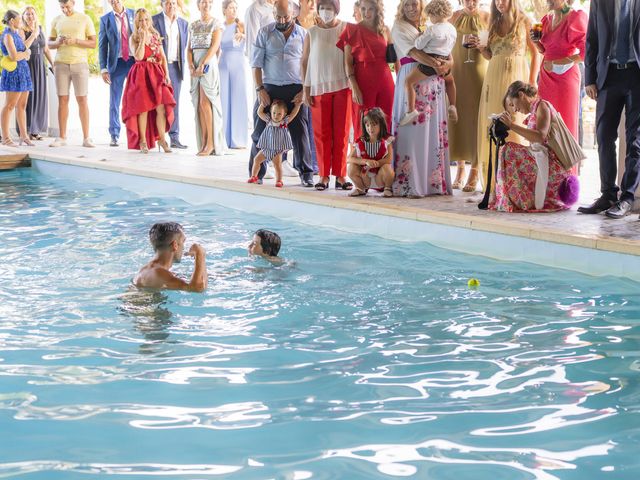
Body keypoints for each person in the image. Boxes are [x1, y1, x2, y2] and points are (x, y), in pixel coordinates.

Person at [579, 0, 640, 219]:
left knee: (635, 140)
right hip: (608, 76)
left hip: (636, 75)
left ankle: (627, 198)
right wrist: (590, 78)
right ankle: (608, 194)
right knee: (604, 137)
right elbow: (591, 39)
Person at [472, 0, 540, 190]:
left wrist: (533, 81)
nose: (499, 3)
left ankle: (518, 181)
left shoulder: (526, 21)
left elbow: (536, 53)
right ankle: (494, 182)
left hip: (516, 78)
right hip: (493, 79)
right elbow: (489, 55)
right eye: (496, 0)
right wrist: (482, 49)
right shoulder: (492, 23)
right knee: (493, 125)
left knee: (515, 125)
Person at [391, 0, 452, 197]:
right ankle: (410, 183)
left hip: (433, 82)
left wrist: (448, 65)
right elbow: (415, 53)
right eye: (406, 4)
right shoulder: (399, 27)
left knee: (431, 131)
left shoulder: (432, 26)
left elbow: (450, 54)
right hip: (413, 74)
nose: (411, 8)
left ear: (421, 4)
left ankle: (432, 183)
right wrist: (439, 66)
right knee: (412, 130)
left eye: (414, 3)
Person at [250, 0, 315, 187]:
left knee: (300, 131)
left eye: (285, 16)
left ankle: (306, 173)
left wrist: (304, 90)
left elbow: (309, 66)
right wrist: (259, 89)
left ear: (293, 13)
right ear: (273, 13)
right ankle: (256, 173)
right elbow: (256, 64)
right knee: (259, 130)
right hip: (269, 87)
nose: (281, 19)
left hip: (295, 87)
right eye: (278, 16)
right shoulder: (264, 32)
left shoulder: (304, 34)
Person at [490, 81, 579, 212]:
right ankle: (509, 197)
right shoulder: (534, 110)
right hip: (544, 160)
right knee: (507, 149)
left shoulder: (542, 106)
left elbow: (541, 137)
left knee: (508, 150)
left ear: (521, 95)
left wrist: (512, 126)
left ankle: (520, 200)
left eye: (513, 104)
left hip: (553, 166)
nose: (514, 110)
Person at [301, 0, 353, 191]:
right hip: (317, 88)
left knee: (342, 132)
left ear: (336, 9)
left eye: (329, 8)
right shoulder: (311, 32)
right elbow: (305, 61)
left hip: (343, 86)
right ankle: (323, 176)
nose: (325, 11)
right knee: (321, 134)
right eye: (322, 8)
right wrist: (305, 89)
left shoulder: (345, 28)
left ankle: (341, 175)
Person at [336, 0, 395, 140]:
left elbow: (394, 59)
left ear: (377, 10)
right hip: (363, 82)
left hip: (385, 81)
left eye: (370, 9)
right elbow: (348, 63)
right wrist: (354, 87)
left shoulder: (385, 29)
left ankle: (383, 158)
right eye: (363, 9)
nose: (366, 13)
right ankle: (363, 160)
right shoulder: (351, 30)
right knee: (363, 122)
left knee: (386, 121)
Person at [121, 8, 175, 153]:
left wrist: (167, 74)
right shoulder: (133, 37)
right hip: (141, 73)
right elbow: (138, 57)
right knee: (143, 108)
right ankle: (143, 141)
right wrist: (143, 39)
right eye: (140, 20)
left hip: (157, 73)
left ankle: (162, 140)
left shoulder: (156, 35)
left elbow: (162, 56)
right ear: (136, 22)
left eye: (146, 19)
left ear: (149, 20)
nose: (143, 22)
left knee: (161, 108)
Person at [448, 0, 489, 191]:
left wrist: (482, 45)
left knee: (475, 120)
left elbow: (493, 46)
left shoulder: (487, 16)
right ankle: (460, 169)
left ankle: (474, 170)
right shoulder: (453, 16)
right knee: (458, 120)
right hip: (457, 73)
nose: (471, 2)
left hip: (478, 72)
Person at [533, 0, 587, 142]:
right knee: (545, 124)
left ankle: (567, 164)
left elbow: (585, 52)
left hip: (566, 78)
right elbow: (544, 50)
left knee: (564, 124)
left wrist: (558, 63)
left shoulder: (576, 17)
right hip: (545, 78)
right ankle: (546, 164)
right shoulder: (546, 19)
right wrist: (536, 43)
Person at [399, 0, 457, 127]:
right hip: (445, 59)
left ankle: (410, 110)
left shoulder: (432, 30)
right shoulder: (452, 29)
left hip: (430, 61)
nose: (430, 18)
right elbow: (451, 45)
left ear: (434, 14)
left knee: (409, 81)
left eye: (431, 15)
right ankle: (452, 105)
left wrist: (421, 35)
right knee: (450, 81)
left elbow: (418, 45)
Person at [48, 0, 96, 148]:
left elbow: (93, 43)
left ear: (73, 3)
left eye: (67, 6)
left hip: (80, 64)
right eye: (62, 7)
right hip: (60, 64)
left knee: (82, 99)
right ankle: (62, 137)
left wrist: (76, 40)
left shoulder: (84, 19)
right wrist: (58, 42)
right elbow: (49, 44)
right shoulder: (57, 20)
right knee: (62, 99)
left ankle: (86, 138)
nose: (65, 10)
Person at [188, 0, 226, 156]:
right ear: (198, 5)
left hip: (208, 63)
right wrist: (191, 66)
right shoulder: (193, 24)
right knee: (198, 104)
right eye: (203, 2)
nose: (206, 4)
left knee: (205, 102)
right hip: (195, 63)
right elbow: (189, 48)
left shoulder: (216, 24)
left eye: (209, 2)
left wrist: (202, 63)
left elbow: (215, 46)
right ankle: (203, 142)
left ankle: (211, 143)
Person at [152, 0, 189, 150]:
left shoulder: (184, 24)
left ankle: (174, 137)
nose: (171, 6)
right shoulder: (155, 20)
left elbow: (184, 45)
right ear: (162, 5)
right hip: (158, 67)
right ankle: (158, 137)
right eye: (168, 3)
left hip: (176, 67)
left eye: (173, 3)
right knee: (157, 103)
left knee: (175, 103)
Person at [99, 0, 135, 147]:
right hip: (117, 63)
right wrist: (103, 68)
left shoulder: (134, 14)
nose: (114, 1)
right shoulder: (105, 19)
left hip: (134, 62)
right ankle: (114, 134)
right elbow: (102, 46)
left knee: (136, 99)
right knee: (114, 101)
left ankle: (136, 133)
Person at [134, 222, 208, 292]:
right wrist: (200, 254)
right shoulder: (158, 273)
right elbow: (196, 288)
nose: (183, 247)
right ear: (175, 245)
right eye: (183, 241)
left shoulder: (153, 270)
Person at [248, 98, 302, 187]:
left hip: (277, 150)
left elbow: (293, 114)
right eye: (274, 113)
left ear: (284, 114)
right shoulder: (268, 120)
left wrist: (297, 106)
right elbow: (259, 113)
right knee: (256, 160)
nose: (276, 116)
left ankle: (279, 180)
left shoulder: (284, 122)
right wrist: (262, 105)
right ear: (271, 112)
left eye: (279, 114)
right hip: (266, 148)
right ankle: (254, 176)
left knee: (277, 166)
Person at [1, 10, 34, 147]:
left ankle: (24, 136)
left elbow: (23, 48)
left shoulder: (17, 34)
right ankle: (6, 138)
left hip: (23, 72)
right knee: (10, 105)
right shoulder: (7, 36)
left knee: (22, 105)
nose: (21, 21)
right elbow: (14, 56)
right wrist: (26, 54)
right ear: (11, 21)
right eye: (19, 19)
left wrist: (27, 50)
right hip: (14, 72)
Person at [219, 0, 249, 149]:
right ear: (224, 10)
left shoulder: (240, 24)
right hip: (223, 64)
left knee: (238, 98)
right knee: (223, 100)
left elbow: (250, 40)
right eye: (231, 7)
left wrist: (243, 36)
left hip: (238, 63)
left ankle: (238, 139)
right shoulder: (219, 26)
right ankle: (223, 138)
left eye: (235, 8)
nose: (234, 10)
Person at [347, 107, 395, 198]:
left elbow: (389, 159)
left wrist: (376, 163)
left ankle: (387, 188)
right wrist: (366, 161)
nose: (370, 128)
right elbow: (349, 158)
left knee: (387, 168)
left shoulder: (386, 141)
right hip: (364, 177)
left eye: (374, 125)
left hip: (379, 178)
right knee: (351, 168)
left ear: (381, 125)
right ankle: (360, 188)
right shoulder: (360, 141)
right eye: (368, 125)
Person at [22, 6, 54, 141]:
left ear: (36, 15)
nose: (30, 16)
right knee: (29, 98)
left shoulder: (40, 28)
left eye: (32, 14)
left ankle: (36, 130)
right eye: (27, 14)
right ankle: (28, 129)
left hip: (40, 65)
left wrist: (53, 63)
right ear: (23, 17)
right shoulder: (22, 30)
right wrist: (33, 35)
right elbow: (22, 46)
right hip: (28, 66)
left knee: (40, 96)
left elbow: (45, 48)